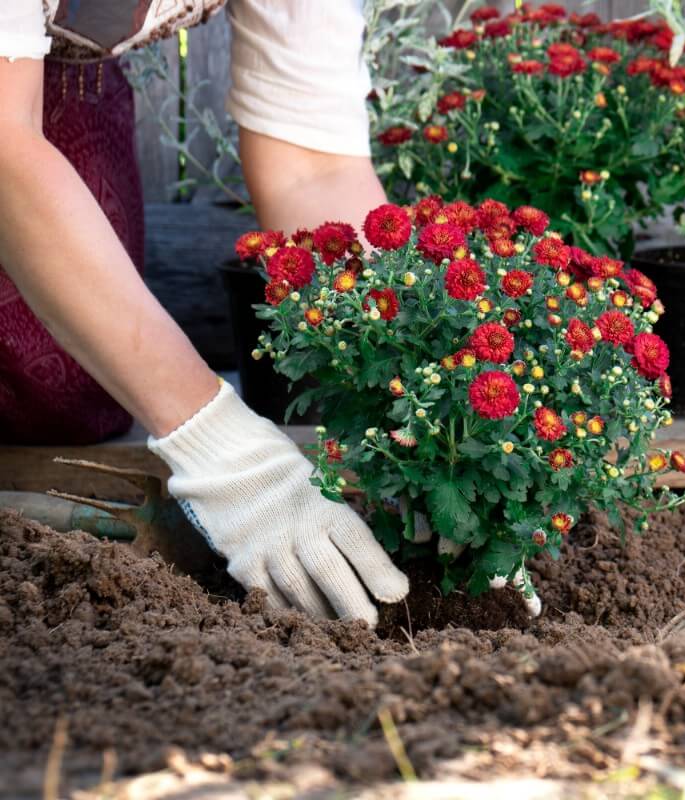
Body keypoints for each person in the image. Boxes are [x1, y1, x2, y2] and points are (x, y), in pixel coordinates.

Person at [0, 1, 410, 627]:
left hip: (46, 71)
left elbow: (313, 169)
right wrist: (223, 449)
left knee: (70, 381)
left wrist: (418, 415)